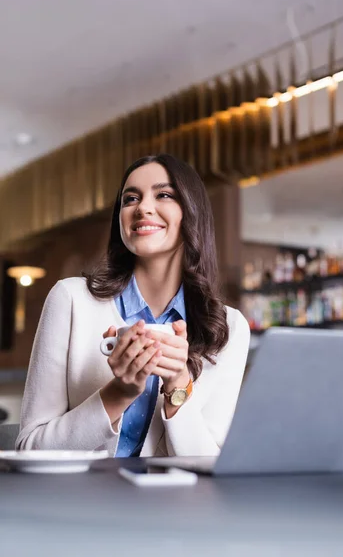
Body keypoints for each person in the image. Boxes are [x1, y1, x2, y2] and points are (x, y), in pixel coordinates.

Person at [16, 154, 250, 457]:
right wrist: (118, 393)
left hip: (174, 503)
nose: (143, 208)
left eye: (163, 194)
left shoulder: (229, 327)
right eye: (130, 199)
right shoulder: (70, 300)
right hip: (78, 501)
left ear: (192, 213)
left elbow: (210, 465)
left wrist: (178, 385)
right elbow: (30, 448)